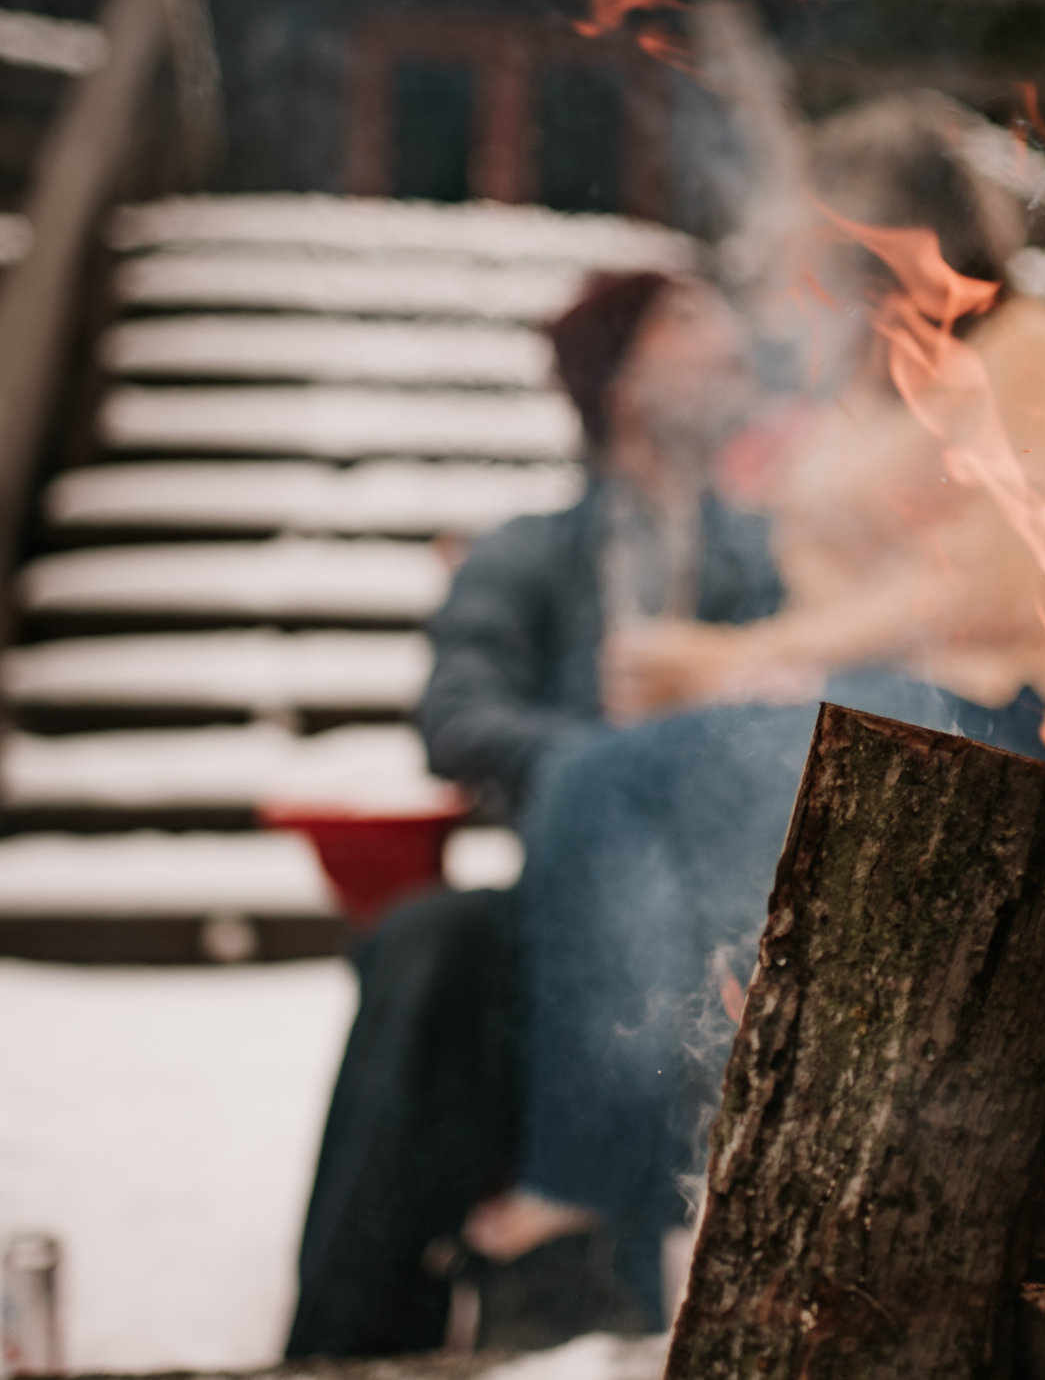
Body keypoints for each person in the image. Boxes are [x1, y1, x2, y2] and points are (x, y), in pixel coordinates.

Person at [451, 94, 1045, 1335]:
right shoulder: (856, 394)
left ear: (888, 231)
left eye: (826, 236)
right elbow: (799, 575)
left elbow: (988, 581)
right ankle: (653, 1196)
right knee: (606, 791)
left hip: (991, 710)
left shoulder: (1024, 348)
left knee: (604, 784)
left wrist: (729, 659)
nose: (802, 265)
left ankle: (585, 1181)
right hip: (854, 712)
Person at [284, 268, 780, 1358]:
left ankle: (593, 1276)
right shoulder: (527, 552)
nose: (731, 338)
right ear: (624, 377)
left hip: (739, 919)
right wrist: (606, 764)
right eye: (690, 321)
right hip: (561, 903)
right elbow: (456, 714)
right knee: (426, 943)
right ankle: (351, 1344)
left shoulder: (774, 551)